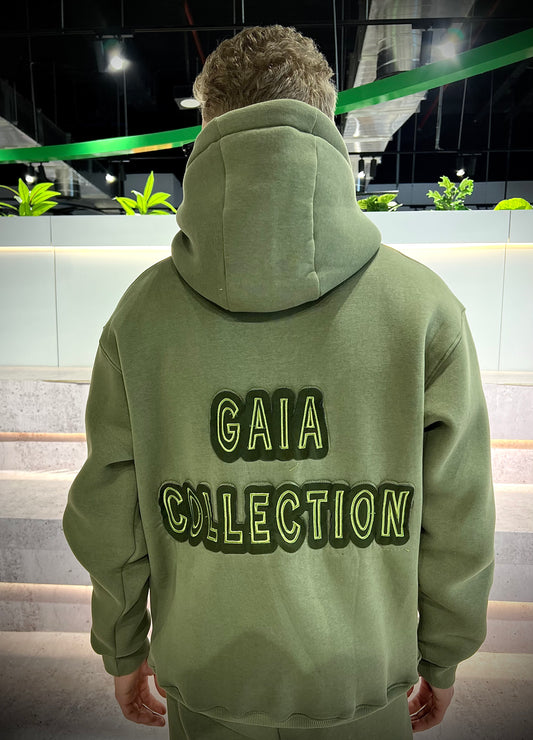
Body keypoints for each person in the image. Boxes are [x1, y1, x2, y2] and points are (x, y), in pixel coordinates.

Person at [63, 25, 495, 739]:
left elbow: (111, 513)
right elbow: (459, 515)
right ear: (327, 120)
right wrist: (443, 656)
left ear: (208, 125)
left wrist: (122, 645)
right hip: (361, 684)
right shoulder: (423, 310)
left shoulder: (140, 317)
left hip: (206, 682)